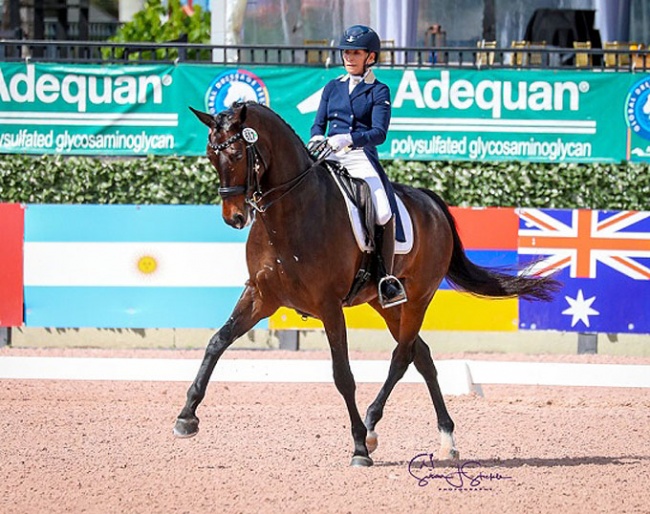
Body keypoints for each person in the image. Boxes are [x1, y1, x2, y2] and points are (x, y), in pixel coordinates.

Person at [307, 24, 407, 309]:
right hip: (328, 153)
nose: (349, 57)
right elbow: (318, 123)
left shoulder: (378, 90)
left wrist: (348, 138)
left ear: (370, 57)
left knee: (384, 209)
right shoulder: (332, 86)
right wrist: (317, 137)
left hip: (359, 155)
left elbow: (379, 133)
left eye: (356, 52)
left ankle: (386, 279)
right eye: (346, 52)